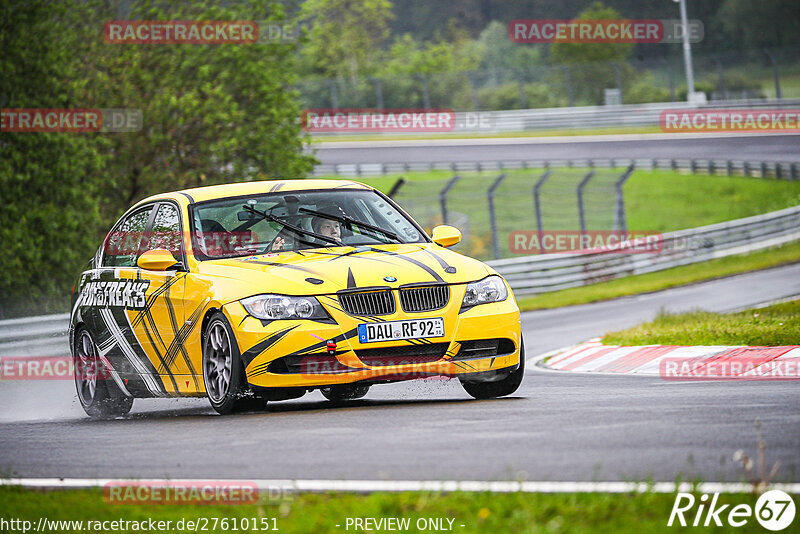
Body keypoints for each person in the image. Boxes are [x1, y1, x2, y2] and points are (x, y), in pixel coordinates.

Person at [272, 215, 341, 251]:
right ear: (318, 230)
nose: (334, 230)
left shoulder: (351, 246)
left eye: (336, 226)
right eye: (328, 226)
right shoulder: (309, 251)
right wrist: (276, 253)